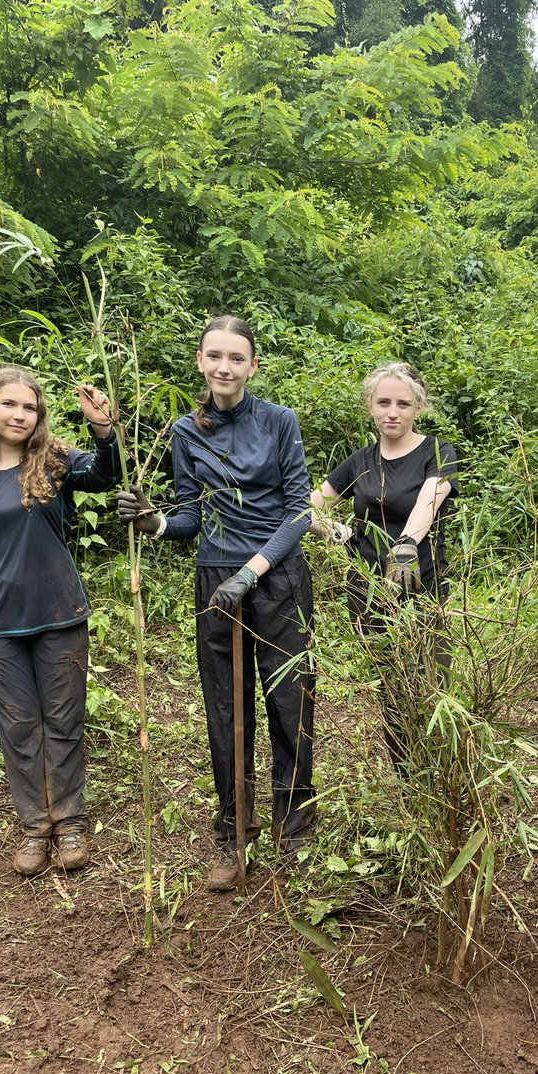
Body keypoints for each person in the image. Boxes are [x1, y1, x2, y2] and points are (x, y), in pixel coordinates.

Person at [117, 315, 314, 892]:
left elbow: (299, 510)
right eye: (214, 357)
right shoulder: (185, 430)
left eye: (236, 358)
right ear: (201, 362)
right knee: (227, 709)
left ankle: (295, 828)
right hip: (215, 579)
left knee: (289, 703)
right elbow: (188, 513)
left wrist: (253, 571)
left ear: (252, 365)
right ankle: (233, 830)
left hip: (275, 578)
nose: (225, 367)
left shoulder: (279, 422)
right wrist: (153, 523)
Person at [0, 366, 119, 876]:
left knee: (63, 723)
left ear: (39, 414)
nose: (20, 414)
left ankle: (69, 822)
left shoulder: (54, 461)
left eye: (29, 407)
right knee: (18, 729)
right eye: (10, 405)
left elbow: (106, 475)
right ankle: (33, 826)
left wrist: (103, 429)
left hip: (59, 615)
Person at [310, 362, 458, 771]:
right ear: (371, 407)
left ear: (417, 408)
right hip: (370, 592)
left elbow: (432, 496)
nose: (393, 412)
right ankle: (406, 773)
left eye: (403, 404)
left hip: (422, 585)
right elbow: (311, 507)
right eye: (384, 402)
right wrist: (340, 533)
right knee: (392, 685)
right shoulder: (359, 461)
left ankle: (440, 770)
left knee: (432, 682)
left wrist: (407, 543)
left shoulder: (437, 452)